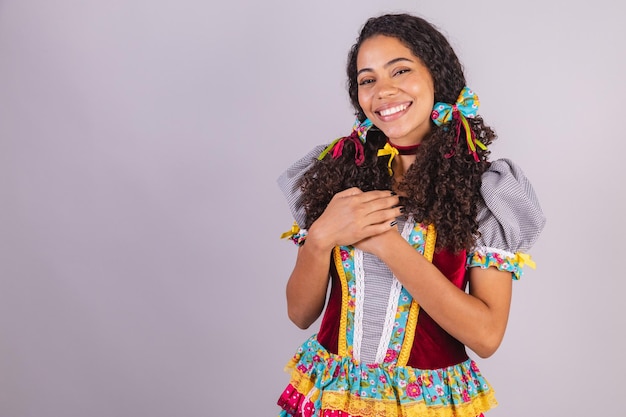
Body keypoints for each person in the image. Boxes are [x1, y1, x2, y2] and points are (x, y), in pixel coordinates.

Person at [276, 13, 545, 417]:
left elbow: (487, 337)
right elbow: (300, 315)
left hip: (423, 405)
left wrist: (387, 244)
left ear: (437, 77)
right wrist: (319, 239)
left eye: (400, 70)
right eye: (368, 80)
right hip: (331, 397)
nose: (383, 91)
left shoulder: (485, 191)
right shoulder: (338, 173)